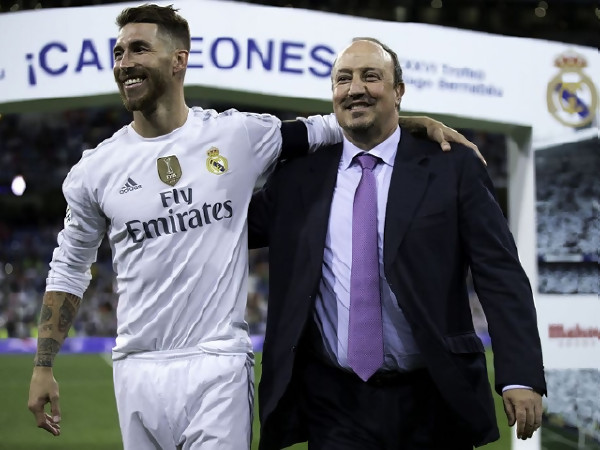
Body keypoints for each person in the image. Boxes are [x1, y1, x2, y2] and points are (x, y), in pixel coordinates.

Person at [26, 5, 477, 450]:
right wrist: (43, 365)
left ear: (179, 60)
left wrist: (412, 124)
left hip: (218, 363)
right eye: (119, 52)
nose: (125, 62)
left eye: (139, 49)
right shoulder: (95, 170)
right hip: (135, 366)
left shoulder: (238, 136)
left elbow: (338, 127)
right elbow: (69, 268)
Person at [248, 38, 546, 450]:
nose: (355, 88)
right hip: (334, 401)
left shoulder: (452, 166)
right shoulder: (298, 176)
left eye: (371, 76)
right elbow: (229, 226)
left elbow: (499, 273)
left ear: (399, 90)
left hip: (433, 395)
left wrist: (520, 374)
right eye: (343, 79)